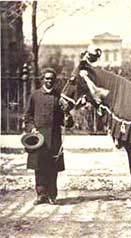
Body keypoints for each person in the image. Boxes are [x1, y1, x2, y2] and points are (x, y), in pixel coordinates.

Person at [24, 67, 73, 205]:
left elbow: (65, 121)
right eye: (47, 78)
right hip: (38, 137)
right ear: (42, 79)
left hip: (54, 137)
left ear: (54, 81)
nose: (49, 81)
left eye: (51, 79)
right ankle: (41, 195)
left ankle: (52, 195)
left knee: (53, 168)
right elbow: (27, 117)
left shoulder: (59, 97)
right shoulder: (35, 95)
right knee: (39, 167)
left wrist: (68, 117)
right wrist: (32, 129)